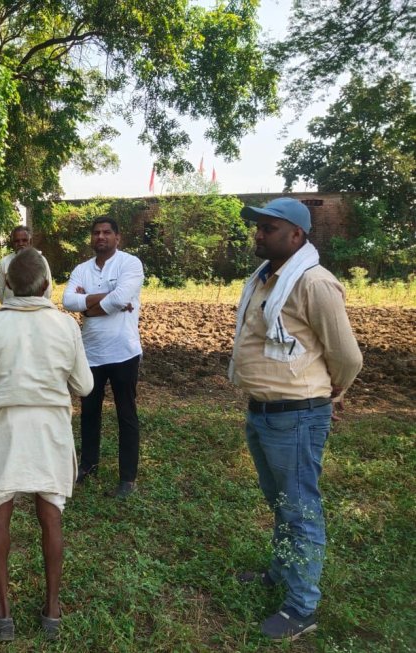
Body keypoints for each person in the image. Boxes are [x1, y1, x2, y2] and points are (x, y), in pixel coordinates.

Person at [230, 197, 362, 641]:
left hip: (297, 416)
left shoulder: (314, 283)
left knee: (300, 510)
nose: (259, 234)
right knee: (282, 505)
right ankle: (281, 574)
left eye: (268, 228)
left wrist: (330, 392)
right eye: (259, 227)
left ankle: (301, 607)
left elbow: (346, 355)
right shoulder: (268, 279)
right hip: (264, 412)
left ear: (297, 236)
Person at [0, 248, 93, 642]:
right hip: (49, 431)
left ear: (7, 285)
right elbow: (85, 386)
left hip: (4, 429)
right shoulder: (66, 325)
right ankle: (52, 611)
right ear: (45, 284)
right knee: (50, 516)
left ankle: (3, 614)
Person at [62, 216, 144, 499]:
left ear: (117, 237)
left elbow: (122, 298)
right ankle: (88, 464)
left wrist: (88, 306)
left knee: (126, 414)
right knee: (89, 413)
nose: (101, 237)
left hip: (123, 352)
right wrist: (106, 298)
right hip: (91, 353)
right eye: (96, 233)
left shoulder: (130, 264)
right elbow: (68, 301)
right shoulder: (81, 269)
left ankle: (127, 478)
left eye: (107, 232)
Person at [0, 225, 53, 303]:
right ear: (12, 243)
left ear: (30, 241)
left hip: (36, 309)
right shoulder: (4, 262)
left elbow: (48, 291)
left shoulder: (41, 260)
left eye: (24, 240)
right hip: (12, 310)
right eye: (17, 241)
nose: (21, 243)